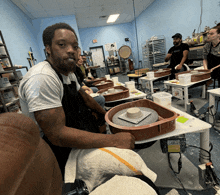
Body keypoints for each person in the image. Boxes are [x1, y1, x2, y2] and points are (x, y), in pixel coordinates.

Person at [18, 22, 135, 178]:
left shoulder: (68, 73)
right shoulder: (42, 78)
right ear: (48, 48)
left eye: (74, 46)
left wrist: (107, 116)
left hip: (70, 131)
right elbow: (57, 135)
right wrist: (113, 140)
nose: (71, 50)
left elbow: (86, 98)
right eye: (62, 44)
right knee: (128, 166)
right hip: (52, 150)